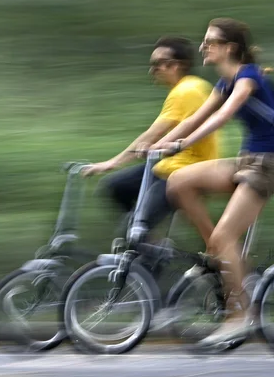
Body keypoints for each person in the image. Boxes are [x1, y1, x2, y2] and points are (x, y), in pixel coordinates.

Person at [146, 18, 274, 343]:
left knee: (226, 235)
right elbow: (197, 118)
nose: (202, 47)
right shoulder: (224, 83)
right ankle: (219, 251)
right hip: (247, 161)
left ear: (229, 48)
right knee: (179, 181)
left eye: (210, 41)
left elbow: (221, 117)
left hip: (268, 166)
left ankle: (241, 315)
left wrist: (180, 145)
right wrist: (157, 146)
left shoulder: (247, 78)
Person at [82, 36, 221, 242]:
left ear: (175, 65)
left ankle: (149, 259)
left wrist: (112, 163)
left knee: (134, 230)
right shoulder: (188, 87)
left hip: (185, 172)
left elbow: (153, 133)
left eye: (157, 65)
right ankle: (152, 244)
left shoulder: (186, 91)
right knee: (115, 187)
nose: (152, 70)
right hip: (171, 166)